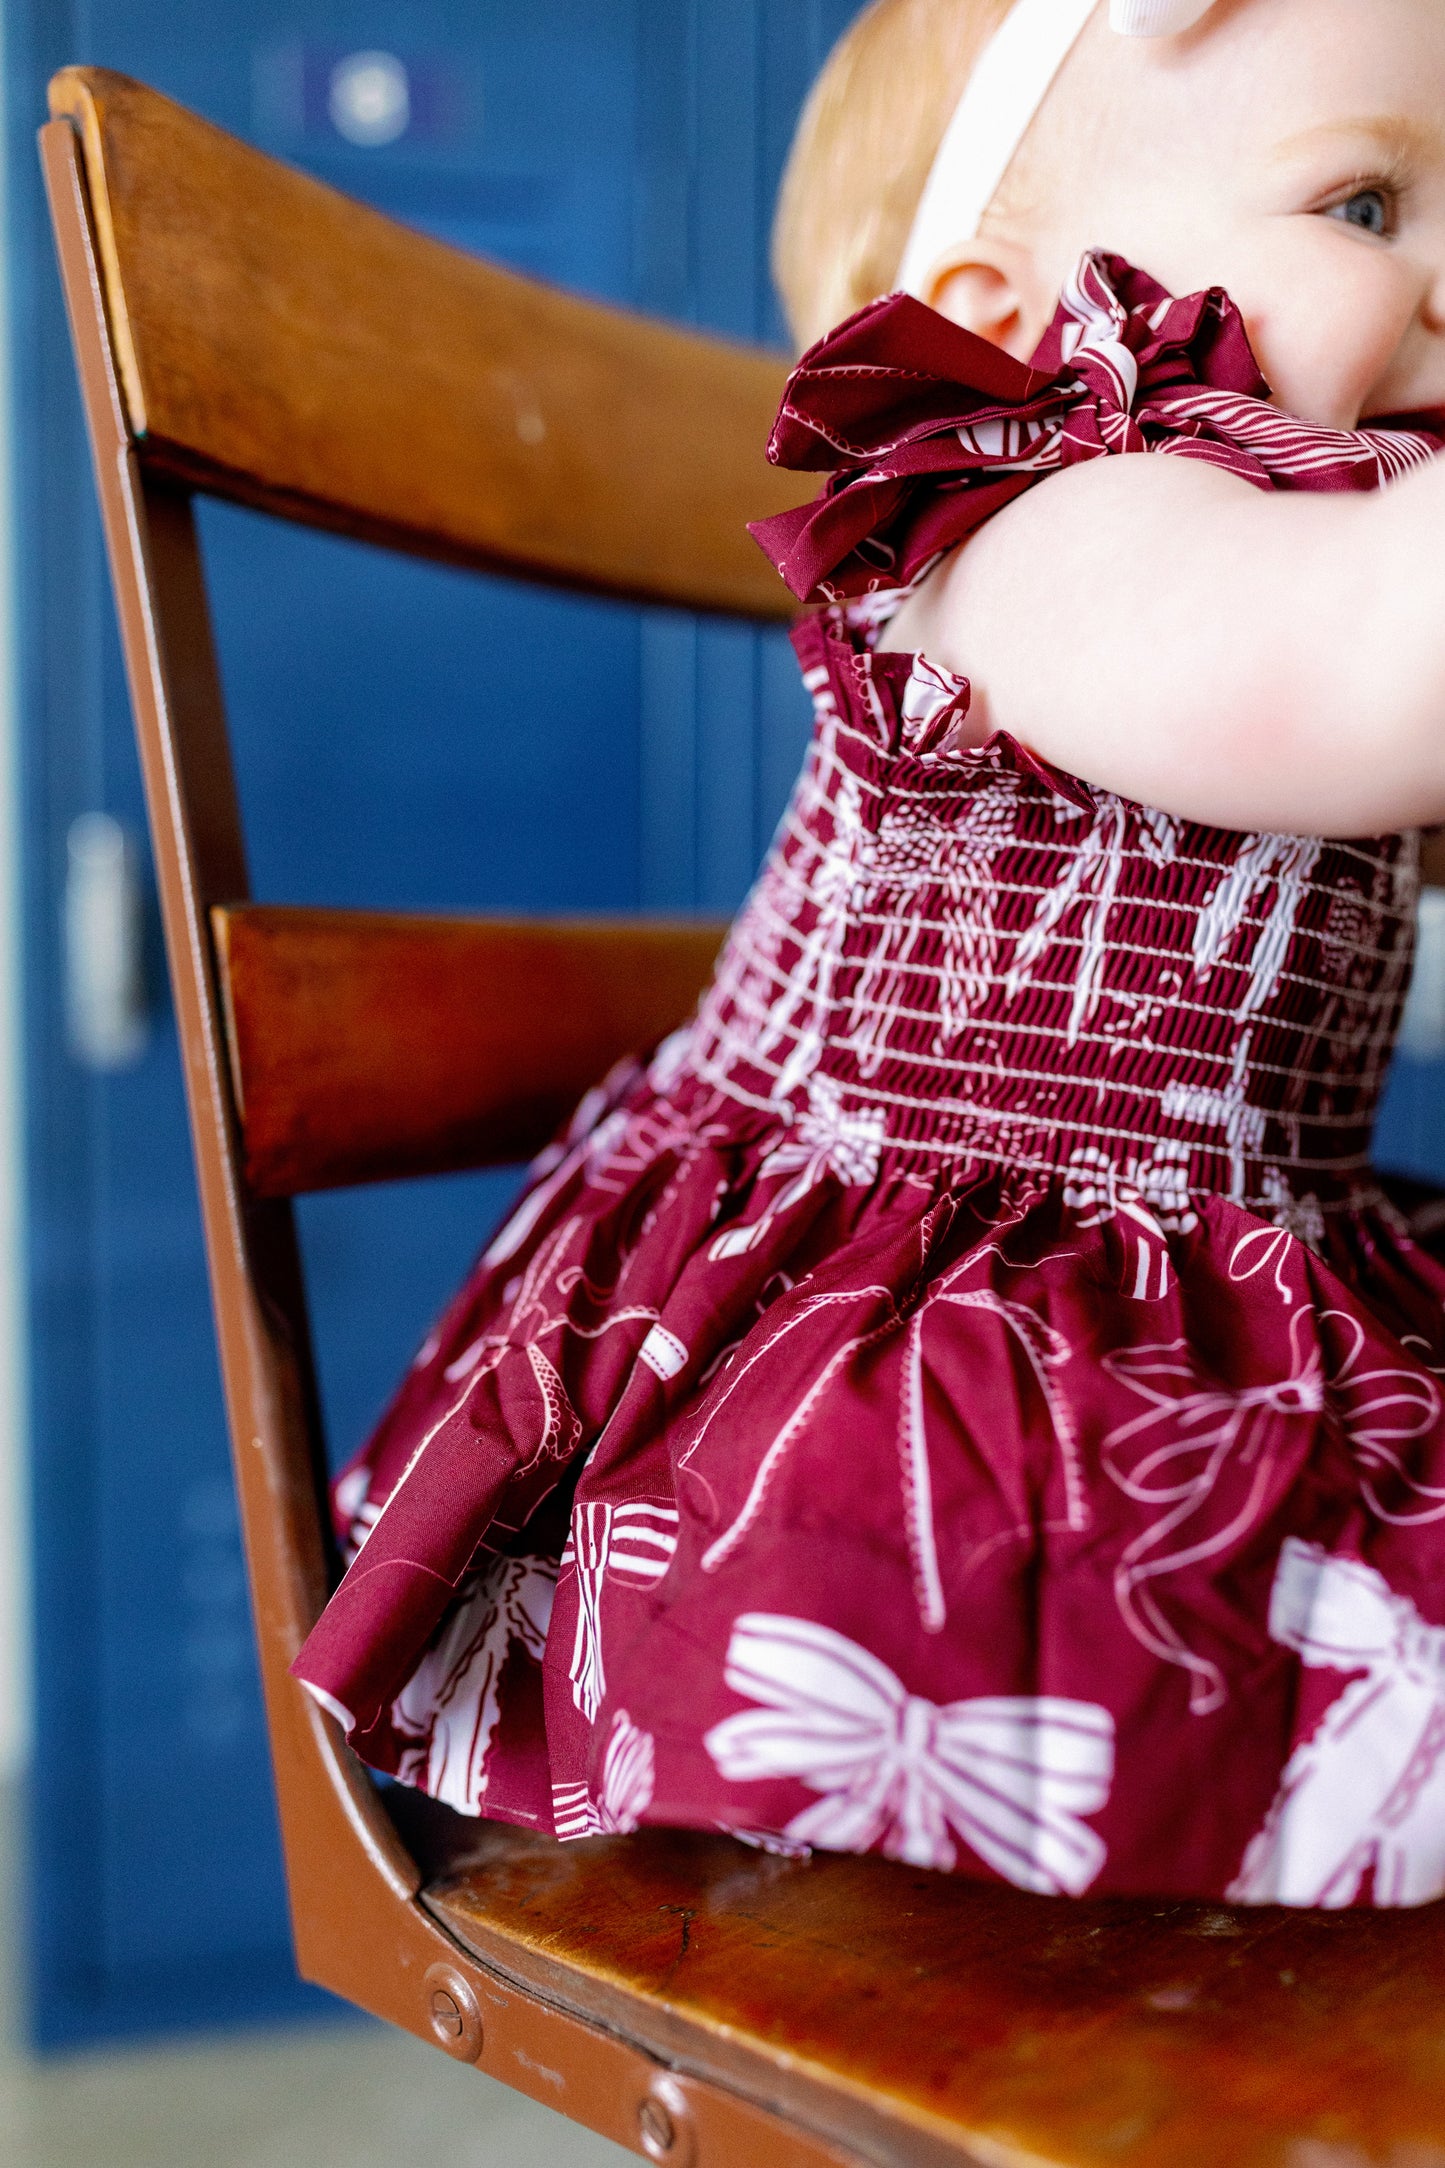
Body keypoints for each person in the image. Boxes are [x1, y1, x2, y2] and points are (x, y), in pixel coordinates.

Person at [292, 0, 1445, 1907]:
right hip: (910, 1375)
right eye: (1365, 197)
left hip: (1241, 1283)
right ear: (1008, 315)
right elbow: (1344, 660)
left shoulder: (1321, 555)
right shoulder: (1046, 528)